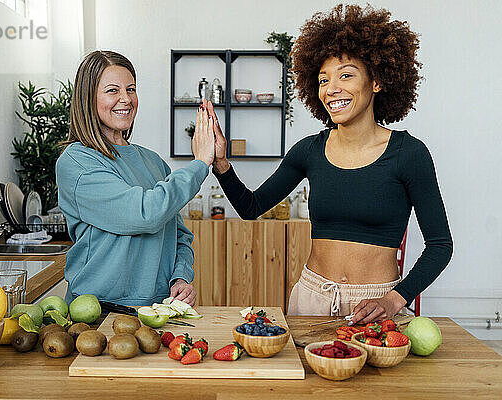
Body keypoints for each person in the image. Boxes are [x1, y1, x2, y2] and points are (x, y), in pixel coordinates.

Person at [202, 4, 452, 324]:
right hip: (311, 298)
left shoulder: (409, 153)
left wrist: (394, 300)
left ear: (375, 81)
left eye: (345, 75)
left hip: (376, 304)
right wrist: (220, 161)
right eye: (323, 80)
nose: (331, 89)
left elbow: (440, 245)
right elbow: (251, 207)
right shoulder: (308, 151)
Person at [56, 51, 215, 306]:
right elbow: (144, 213)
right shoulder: (76, 162)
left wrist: (180, 277)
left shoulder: (153, 162)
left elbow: (179, 235)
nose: (125, 99)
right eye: (112, 90)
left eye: (131, 89)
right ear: (88, 99)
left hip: (160, 309)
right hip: (97, 312)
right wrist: (200, 164)